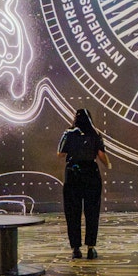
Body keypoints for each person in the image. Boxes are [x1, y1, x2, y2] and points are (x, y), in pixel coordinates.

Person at [58, 108, 111, 259]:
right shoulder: (95, 134)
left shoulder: (68, 134)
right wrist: (108, 165)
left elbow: (60, 153)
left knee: (73, 212)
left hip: (73, 174)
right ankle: (91, 248)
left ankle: (75, 248)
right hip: (91, 174)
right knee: (92, 212)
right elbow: (102, 155)